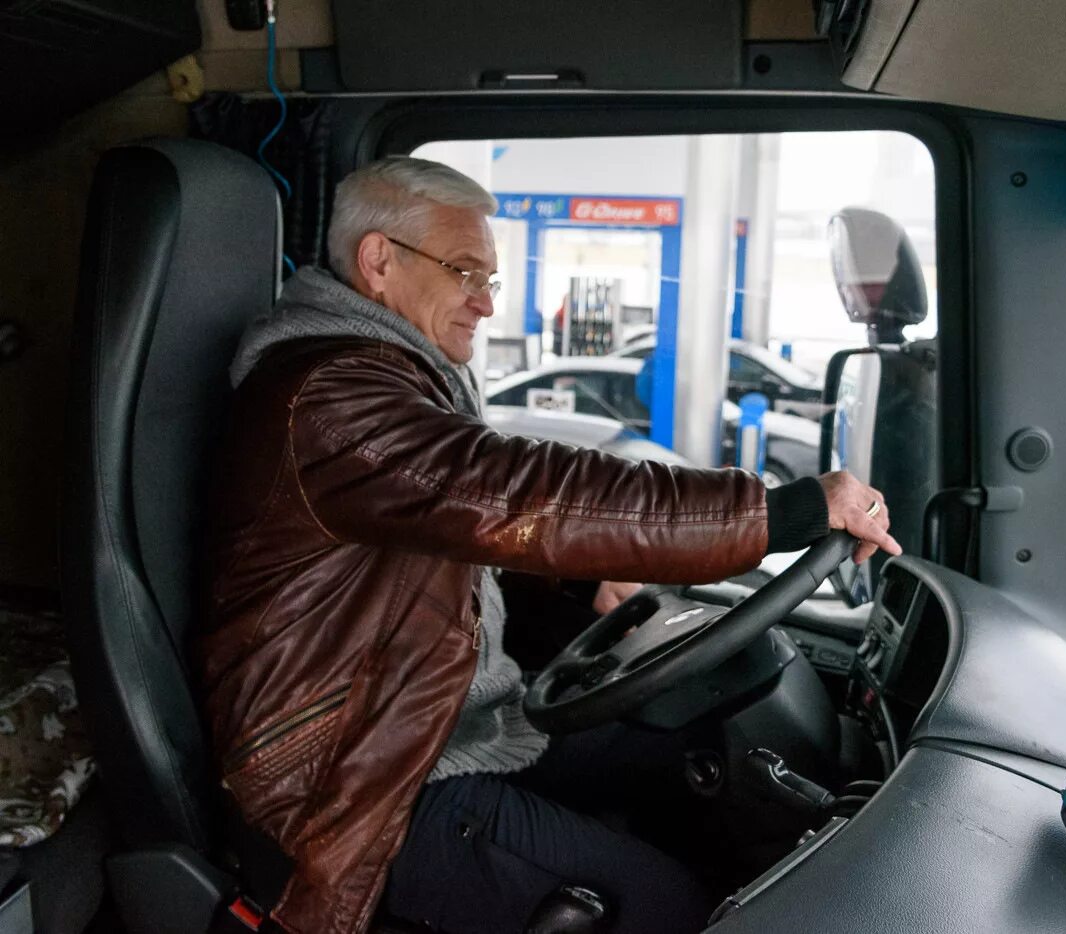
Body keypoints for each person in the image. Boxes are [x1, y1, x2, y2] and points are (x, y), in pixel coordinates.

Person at [200, 156, 899, 934]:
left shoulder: (383, 378)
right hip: (363, 780)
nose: (485, 303)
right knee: (676, 911)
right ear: (378, 261)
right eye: (466, 272)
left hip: (444, 727)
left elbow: (445, 555)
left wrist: (573, 593)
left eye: (491, 280)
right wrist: (784, 511)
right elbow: (523, 493)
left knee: (699, 762)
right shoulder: (330, 396)